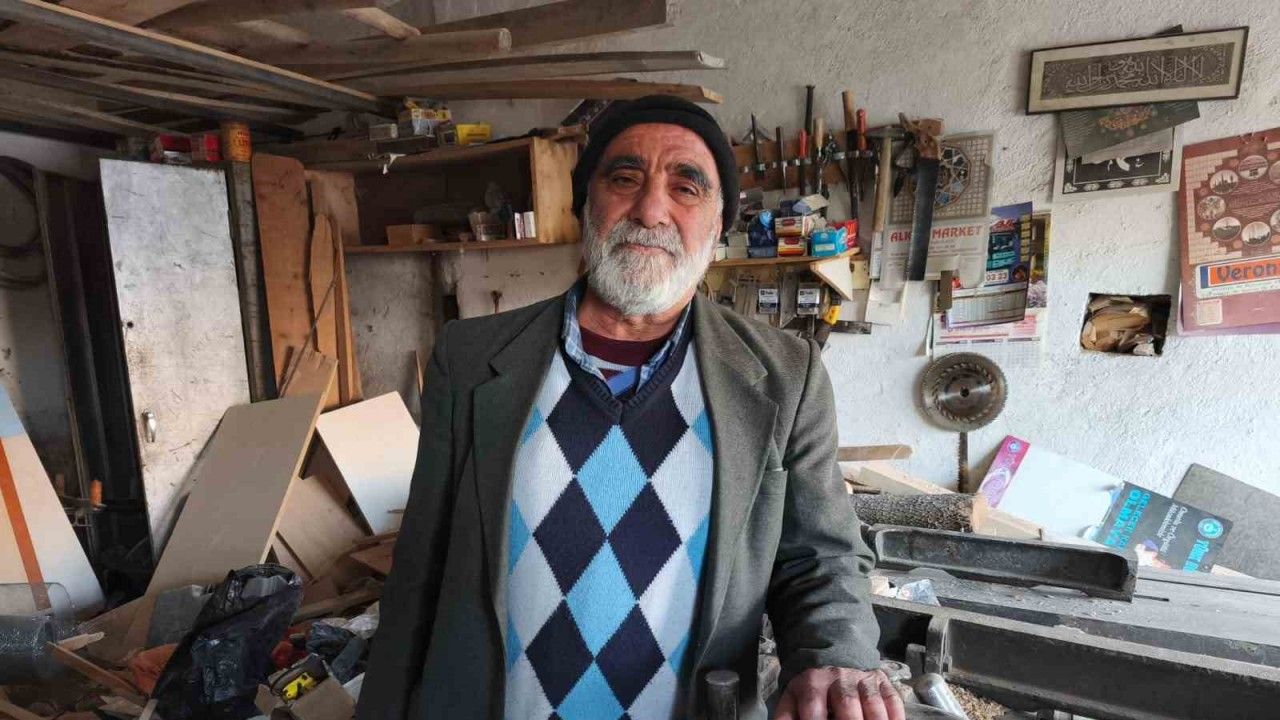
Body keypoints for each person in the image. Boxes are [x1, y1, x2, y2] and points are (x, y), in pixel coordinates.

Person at [357, 96, 901, 720]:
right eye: (624, 178)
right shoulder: (470, 359)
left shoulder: (785, 376)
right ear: (585, 205)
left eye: (686, 187)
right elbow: (419, 570)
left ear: (718, 224)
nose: (650, 210)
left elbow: (820, 557)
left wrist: (839, 655)